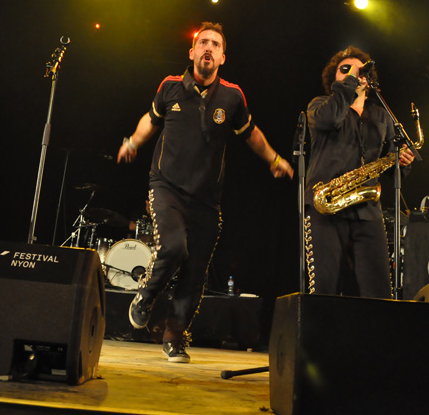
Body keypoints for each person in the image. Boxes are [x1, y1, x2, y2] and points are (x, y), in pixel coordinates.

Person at [117, 22, 293, 363]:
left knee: (195, 270)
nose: (208, 47)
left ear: (222, 57)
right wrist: (133, 143)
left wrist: (274, 159)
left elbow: (251, 133)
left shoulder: (232, 96)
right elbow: (150, 120)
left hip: (206, 199)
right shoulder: (170, 86)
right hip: (165, 186)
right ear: (192, 52)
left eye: (215, 44)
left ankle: (174, 337)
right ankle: (146, 295)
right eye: (203, 43)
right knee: (173, 247)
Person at [305, 46, 415, 298]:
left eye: (360, 70)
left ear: (369, 78)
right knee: (324, 289)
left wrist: (403, 162)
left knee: (378, 290)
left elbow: (393, 169)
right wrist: (348, 84)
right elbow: (330, 120)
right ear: (334, 78)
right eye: (345, 69)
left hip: (366, 211)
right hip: (326, 207)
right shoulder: (320, 105)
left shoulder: (381, 116)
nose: (353, 73)